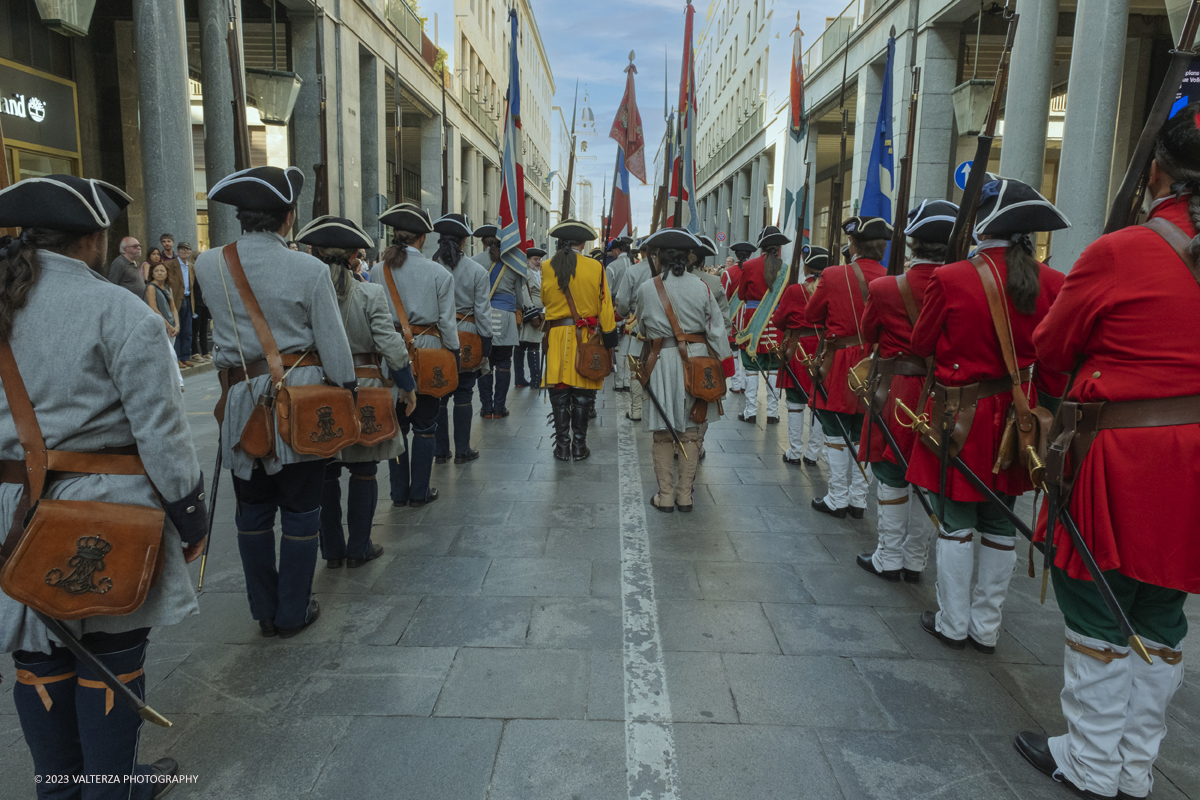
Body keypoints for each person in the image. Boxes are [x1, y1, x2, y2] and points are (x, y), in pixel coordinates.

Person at [1013, 107, 1200, 799]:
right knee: (1162, 608)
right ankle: (1133, 764)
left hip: (1124, 455)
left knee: (1096, 599)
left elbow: (1053, 348)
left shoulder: (1123, 250)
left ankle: (1092, 761)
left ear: (1157, 173)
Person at [0, 174, 207, 796]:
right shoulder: (121, 311)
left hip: (13, 516)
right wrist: (191, 519)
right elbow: (164, 439)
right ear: (94, 240)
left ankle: (59, 789)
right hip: (110, 514)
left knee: (38, 657)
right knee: (112, 655)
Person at [905, 178, 1068, 654]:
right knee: (1000, 521)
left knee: (956, 518)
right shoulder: (1054, 283)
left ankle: (953, 623)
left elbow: (920, 345)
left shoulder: (952, 277)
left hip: (963, 415)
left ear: (984, 224)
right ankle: (986, 627)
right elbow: (1056, 361)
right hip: (1018, 416)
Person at [195, 165, 356, 638]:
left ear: (242, 217)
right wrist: (345, 388)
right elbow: (335, 348)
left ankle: (263, 609)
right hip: (302, 399)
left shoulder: (208, 263)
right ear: (288, 217)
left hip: (242, 399)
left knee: (253, 509)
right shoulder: (308, 267)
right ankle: (292, 610)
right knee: (303, 506)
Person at [296, 216, 417, 569]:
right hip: (366, 389)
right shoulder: (369, 293)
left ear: (315, 252)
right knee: (364, 471)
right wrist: (408, 387)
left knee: (327, 471)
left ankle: (332, 550)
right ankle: (359, 547)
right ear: (354, 255)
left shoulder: (303, 294)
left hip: (318, 389)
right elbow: (392, 347)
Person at [855, 200, 957, 583]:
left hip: (896, 387)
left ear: (912, 244)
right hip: (942, 391)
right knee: (928, 474)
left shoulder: (884, 287)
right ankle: (915, 559)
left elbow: (868, 335)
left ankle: (889, 556)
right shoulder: (961, 282)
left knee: (891, 471)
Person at [635, 229, 731, 511]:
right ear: (688, 258)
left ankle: (664, 497)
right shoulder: (702, 286)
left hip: (661, 362)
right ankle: (685, 497)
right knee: (690, 432)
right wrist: (725, 364)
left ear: (661, 258)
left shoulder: (646, 288)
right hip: (698, 363)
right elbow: (716, 330)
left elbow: (641, 327)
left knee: (663, 434)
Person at [805, 216, 889, 519]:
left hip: (840, 360)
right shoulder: (891, 276)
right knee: (861, 431)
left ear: (853, 245)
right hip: (878, 364)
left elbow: (812, 314)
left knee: (834, 428)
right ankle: (858, 499)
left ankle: (837, 497)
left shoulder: (832, 274)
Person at [377, 202, 458, 506]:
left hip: (389, 358)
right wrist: (454, 356)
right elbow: (448, 325)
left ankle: (398, 493)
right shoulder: (439, 274)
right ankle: (420, 491)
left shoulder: (376, 270)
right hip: (429, 356)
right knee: (426, 425)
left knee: (396, 426)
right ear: (423, 238)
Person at [542, 219, 617, 459]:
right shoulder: (595, 267)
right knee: (583, 389)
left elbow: (545, 300)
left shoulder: (546, 266)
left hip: (557, 334)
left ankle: (562, 447)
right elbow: (605, 305)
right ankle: (579, 446)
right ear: (583, 243)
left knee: (561, 388)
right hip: (586, 336)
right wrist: (609, 337)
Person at [430, 213, 491, 465]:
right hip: (469, 336)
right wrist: (486, 346)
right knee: (464, 392)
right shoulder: (477, 270)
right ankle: (463, 450)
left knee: (440, 393)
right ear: (465, 240)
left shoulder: (431, 267)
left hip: (437, 336)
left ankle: (441, 451)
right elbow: (483, 312)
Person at [773, 245, 829, 468]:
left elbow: (778, 321)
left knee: (795, 401)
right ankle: (813, 453)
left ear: (806, 266)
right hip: (824, 349)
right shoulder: (830, 289)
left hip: (798, 349)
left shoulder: (795, 290)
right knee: (819, 400)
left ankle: (795, 451)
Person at [473, 224, 527, 419]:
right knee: (504, 362)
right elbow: (519, 298)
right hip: (506, 317)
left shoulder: (474, 261)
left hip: (482, 316)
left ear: (483, 243)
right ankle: (499, 408)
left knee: (484, 362)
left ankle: (486, 409)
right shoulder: (513, 264)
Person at [734, 228, 788, 423]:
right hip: (777, 323)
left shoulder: (748, 266)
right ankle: (772, 413)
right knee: (774, 367)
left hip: (753, 320)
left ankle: (750, 411)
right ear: (779, 247)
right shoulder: (786, 268)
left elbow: (741, 295)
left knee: (751, 367)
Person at [616, 236, 657, 422]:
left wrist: (623, 314)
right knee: (656, 367)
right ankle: (653, 411)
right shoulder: (663, 271)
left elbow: (623, 302)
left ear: (641, 252)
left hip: (636, 322)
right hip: (661, 325)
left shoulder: (632, 271)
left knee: (636, 368)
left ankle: (637, 410)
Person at [724, 241, 755, 394]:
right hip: (752, 314)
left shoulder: (728, 273)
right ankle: (745, 384)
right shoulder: (757, 270)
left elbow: (724, 297)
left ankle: (736, 384)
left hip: (734, 316)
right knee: (748, 350)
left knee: (735, 350)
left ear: (735, 255)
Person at [515, 246, 546, 388]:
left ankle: (521, 379)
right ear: (527, 260)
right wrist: (534, 313)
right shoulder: (526, 273)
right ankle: (534, 380)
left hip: (538, 313)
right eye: (535, 259)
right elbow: (524, 293)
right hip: (531, 315)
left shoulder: (539, 274)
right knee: (532, 345)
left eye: (539, 259)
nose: (538, 262)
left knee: (522, 345)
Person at [161, 234, 194, 368]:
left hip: (188, 300)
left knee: (187, 330)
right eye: (181, 250)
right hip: (175, 301)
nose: (184, 252)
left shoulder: (191, 266)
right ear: (178, 251)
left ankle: (186, 356)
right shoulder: (169, 265)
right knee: (177, 329)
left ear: (190, 252)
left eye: (186, 250)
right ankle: (178, 357)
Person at [607, 237, 634, 392]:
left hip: (616, 309)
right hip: (635, 313)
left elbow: (607, 291)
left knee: (617, 346)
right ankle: (628, 380)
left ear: (617, 250)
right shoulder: (634, 265)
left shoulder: (612, 266)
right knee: (629, 346)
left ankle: (619, 381)